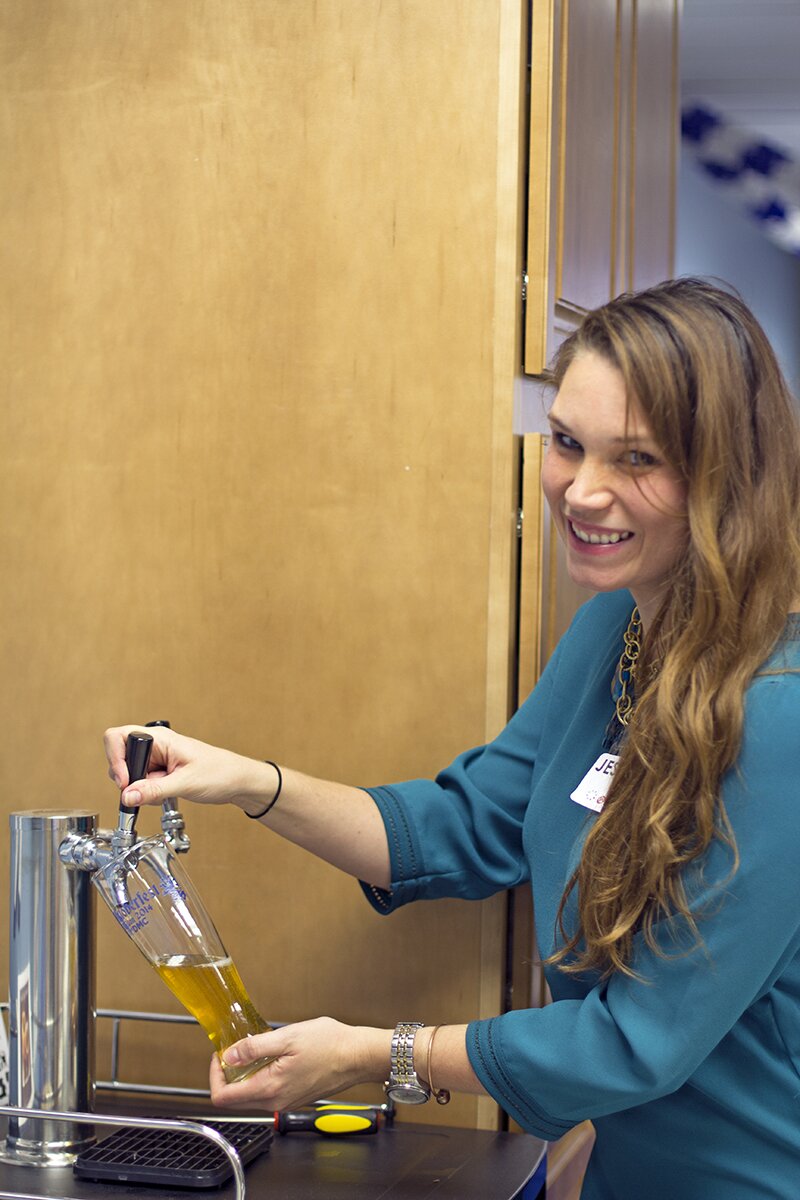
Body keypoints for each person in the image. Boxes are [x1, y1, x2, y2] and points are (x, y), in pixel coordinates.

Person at [104, 277, 800, 1200]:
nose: (583, 491)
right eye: (566, 444)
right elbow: (462, 825)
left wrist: (371, 1053)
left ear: (725, 474)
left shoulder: (780, 712)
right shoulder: (615, 632)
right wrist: (246, 781)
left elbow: (637, 1042)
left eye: (637, 459)